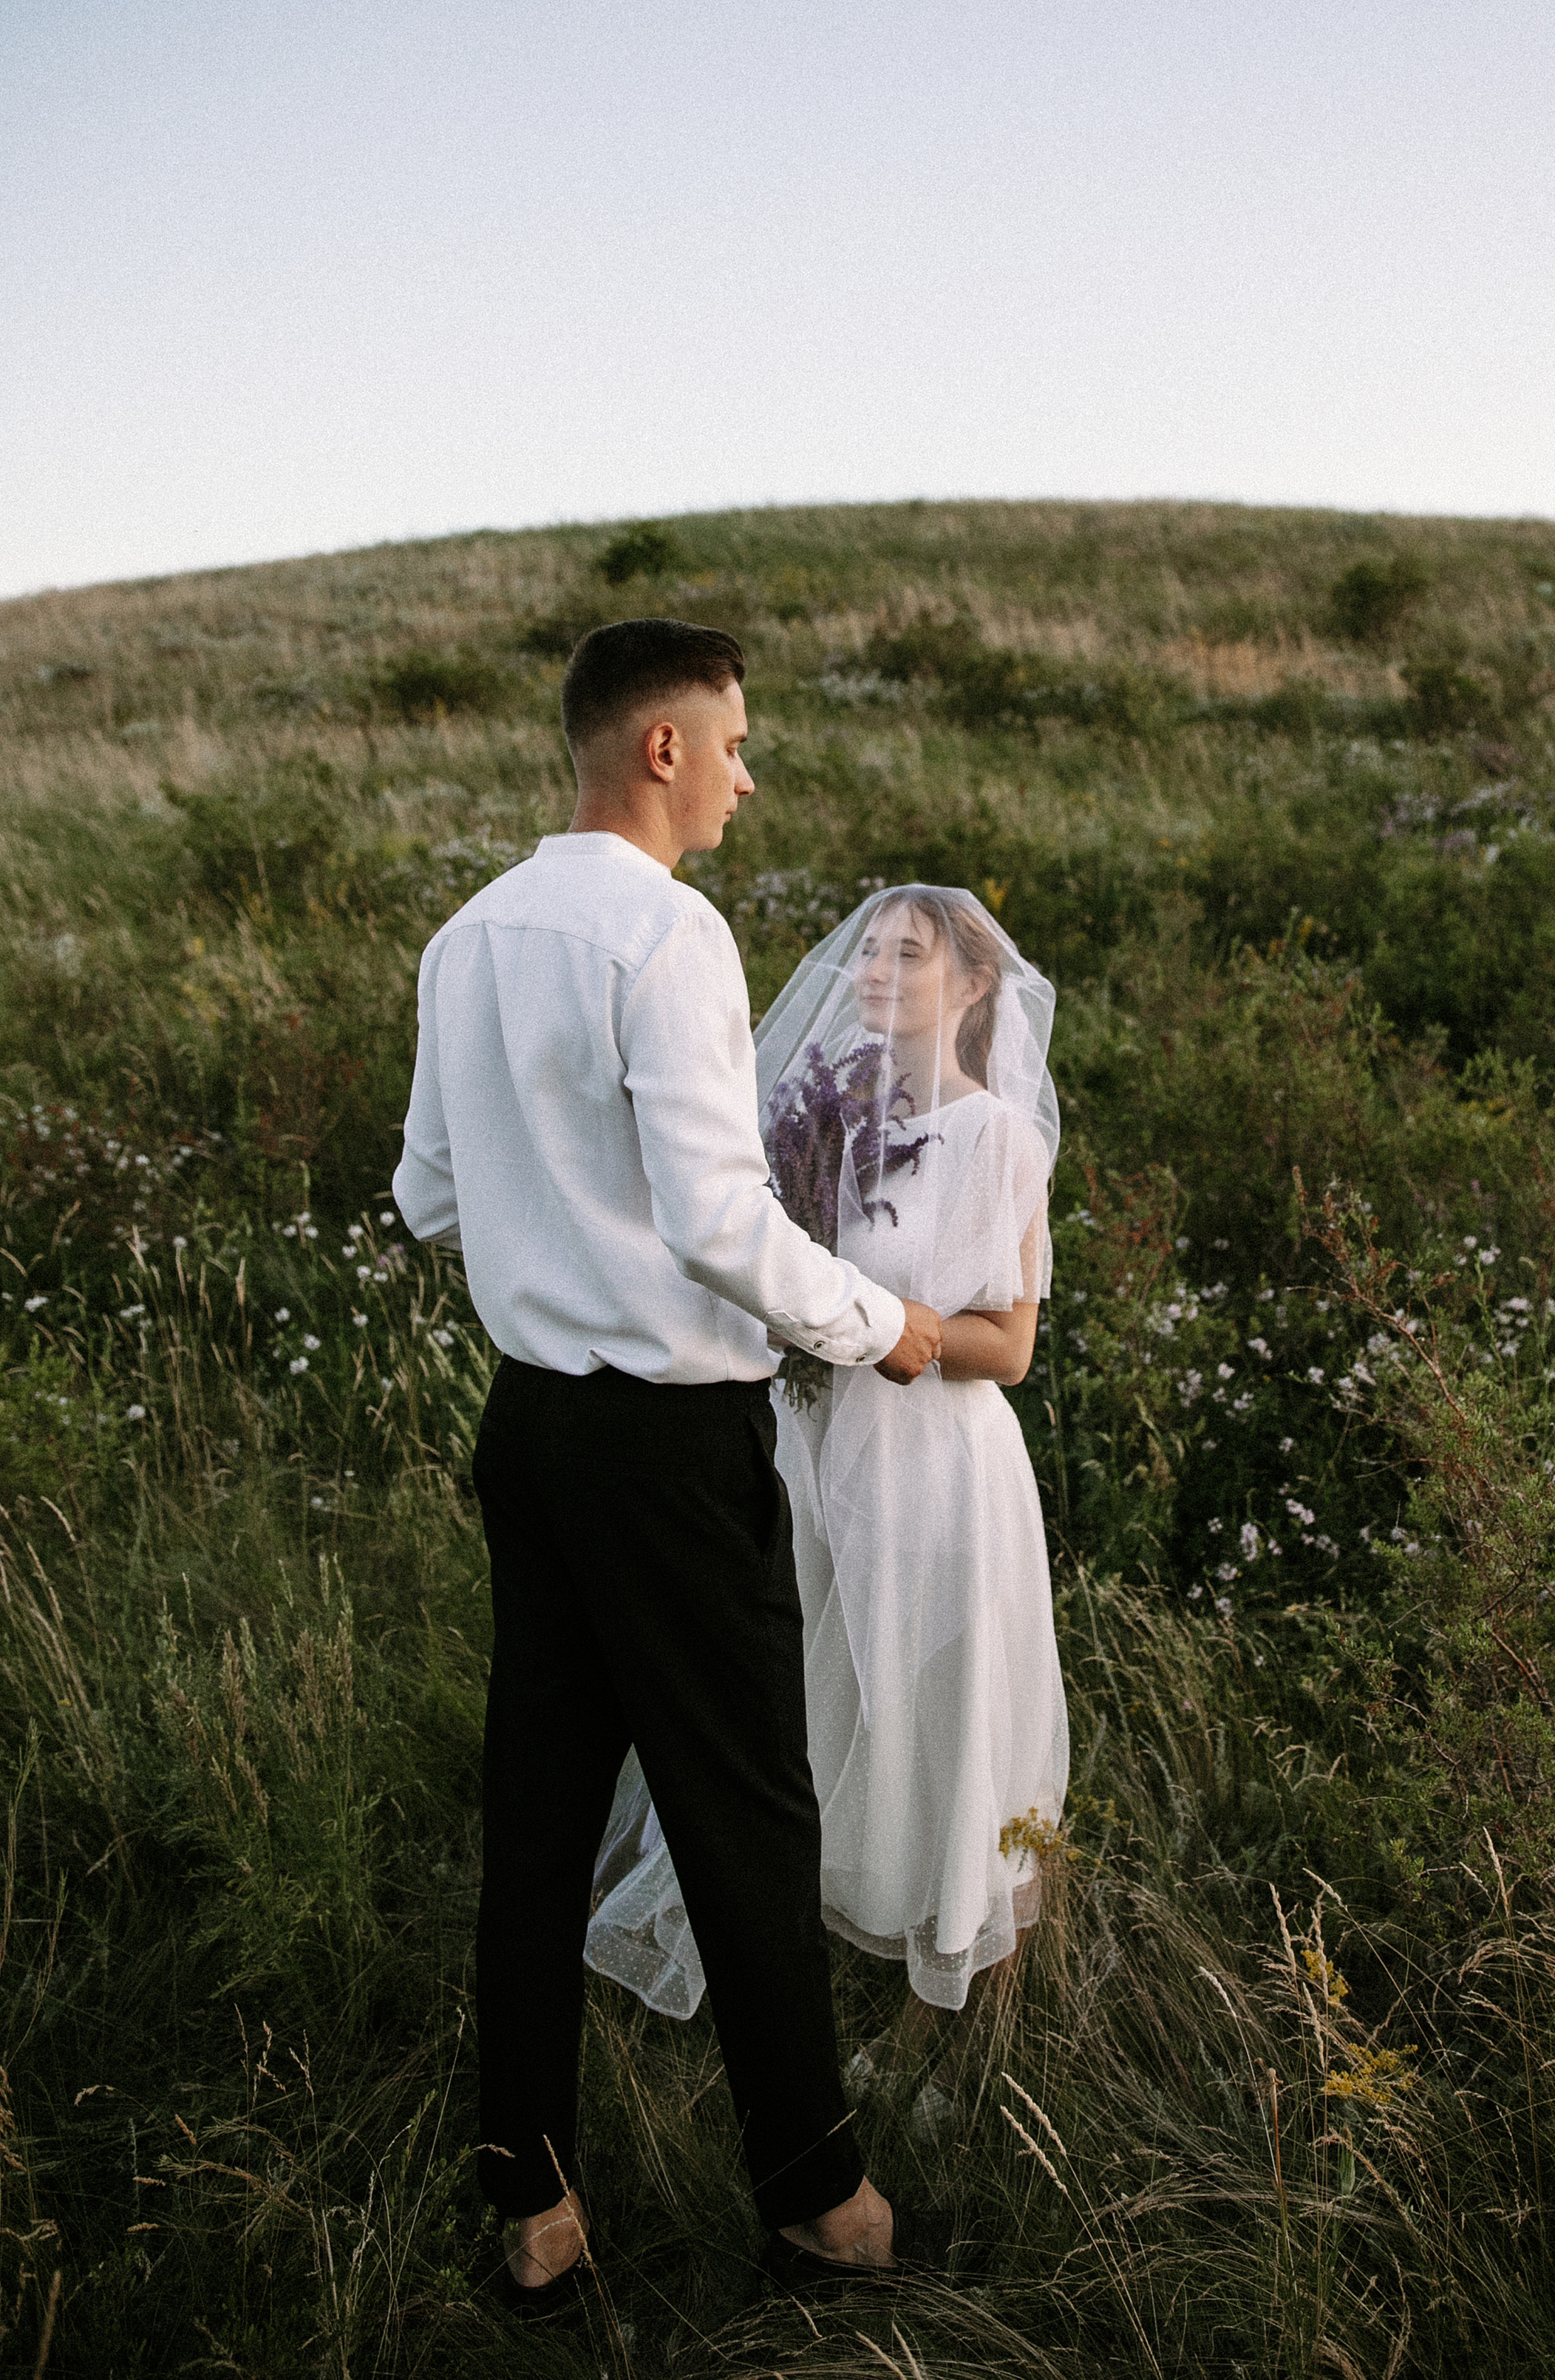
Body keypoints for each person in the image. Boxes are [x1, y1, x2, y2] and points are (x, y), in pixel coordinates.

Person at [391, 617, 943, 2312]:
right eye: (733, 742)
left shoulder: (468, 934)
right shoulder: (669, 932)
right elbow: (718, 1224)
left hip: (531, 1428)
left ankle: (530, 2207)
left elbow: (426, 1196)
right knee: (745, 1811)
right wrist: (880, 1325)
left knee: (540, 1811)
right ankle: (813, 2199)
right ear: (658, 748)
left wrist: (549, 1221)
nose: (744, 775)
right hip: (665, 1440)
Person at [586, 884, 1069, 2046]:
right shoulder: (813, 1117)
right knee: (806, 1694)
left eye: (908, 957)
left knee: (943, 1709)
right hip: (818, 1452)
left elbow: (1007, 1347)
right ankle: (788, 1928)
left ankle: (962, 1989)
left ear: (972, 986)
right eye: (868, 954)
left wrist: (871, 1326)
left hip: (940, 1467)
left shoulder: (995, 1134)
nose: (875, 973)